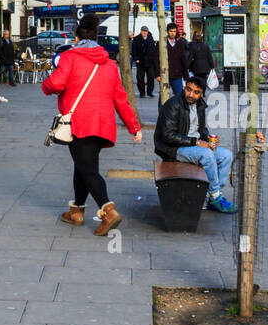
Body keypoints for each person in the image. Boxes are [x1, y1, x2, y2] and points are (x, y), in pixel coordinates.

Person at [42, 17, 142, 235]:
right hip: (103, 125)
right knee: (83, 166)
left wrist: (46, 86)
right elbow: (120, 99)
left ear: (77, 39)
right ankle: (76, 211)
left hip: (79, 123)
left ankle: (108, 211)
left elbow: (56, 83)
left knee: (88, 170)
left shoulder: (70, 57)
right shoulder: (109, 64)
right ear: (97, 38)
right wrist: (134, 127)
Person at [154, 77, 236, 212]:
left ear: (202, 93)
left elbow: (201, 129)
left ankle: (212, 196)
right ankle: (216, 196)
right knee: (207, 155)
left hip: (194, 146)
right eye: (188, 90)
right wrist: (196, 142)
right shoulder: (173, 105)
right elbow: (168, 136)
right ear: (185, 87)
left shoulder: (199, 105)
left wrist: (209, 139)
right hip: (174, 148)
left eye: (196, 92)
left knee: (226, 155)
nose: (191, 95)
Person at [155, 22, 188, 98]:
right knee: (163, 97)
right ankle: (162, 110)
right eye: (171, 31)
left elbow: (183, 61)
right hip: (165, 74)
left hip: (177, 75)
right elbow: (156, 59)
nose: (173, 33)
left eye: (174, 31)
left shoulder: (180, 44)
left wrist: (186, 76)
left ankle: (177, 110)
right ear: (167, 31)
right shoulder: (162, 43)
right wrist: (157, 74)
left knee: (179, 97)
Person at [131, 25, 156, 97]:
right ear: (141, 31)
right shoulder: (136, 39)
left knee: (151, 77)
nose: (145, 33)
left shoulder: (150, 38)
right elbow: (134, 50)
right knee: (140, 78)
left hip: (150, 61)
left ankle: (150, 92)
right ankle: (142, 93)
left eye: (146, 31)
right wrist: (136, 59)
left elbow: (153, 49)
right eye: (143, 31)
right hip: (140, 61)